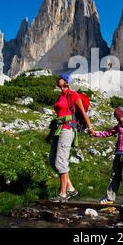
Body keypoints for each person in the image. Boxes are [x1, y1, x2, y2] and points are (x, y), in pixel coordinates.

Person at [49, 73, 94, 203]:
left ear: (68, 84)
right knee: (53, 162)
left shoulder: (73, 95)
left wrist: (90, 128)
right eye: (59, 86)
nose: (62, 88)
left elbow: (83, 113)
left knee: (60, 162)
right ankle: (71, 189)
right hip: (58, 130)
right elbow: (59, 115)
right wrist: (49, 134)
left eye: (64, 85)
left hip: (68, 130)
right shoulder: (60, 96)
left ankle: (63, 194)